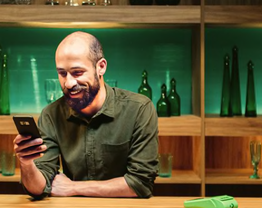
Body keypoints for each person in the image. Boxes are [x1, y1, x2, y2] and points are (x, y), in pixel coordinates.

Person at [13, 31, 158, 199]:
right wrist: (27, 163)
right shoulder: (51, 115)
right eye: (62, 73)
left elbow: (141, 184)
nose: (68, 83)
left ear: (101, 67)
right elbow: (40, 187)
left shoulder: (139, 109)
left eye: (77, 72)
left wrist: (73, 188)